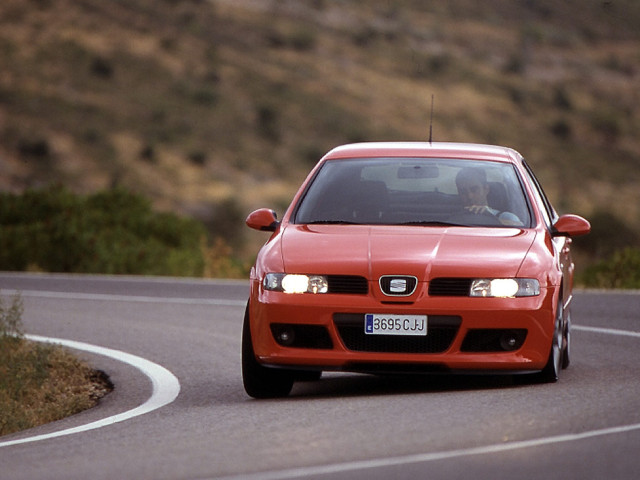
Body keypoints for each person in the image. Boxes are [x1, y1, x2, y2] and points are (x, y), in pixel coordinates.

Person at [455, 167, 522, 226]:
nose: (469, 196)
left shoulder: (505, 217)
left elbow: (521, 228)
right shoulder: (452, 217)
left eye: (474, 190)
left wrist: (489, 217)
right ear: (459, 193)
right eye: (463, 192)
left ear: (486, 189)